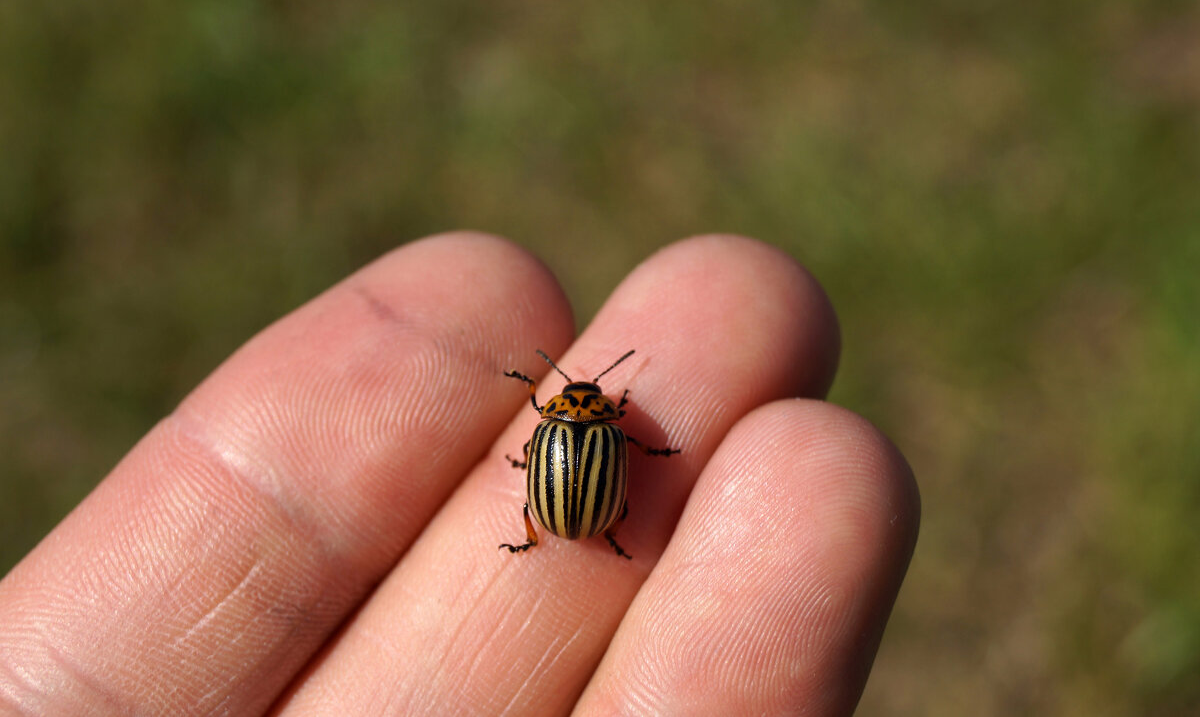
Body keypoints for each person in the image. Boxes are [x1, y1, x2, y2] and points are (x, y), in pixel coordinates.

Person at [0, 232, 919, 715]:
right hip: (584, 510)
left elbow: (545, 456)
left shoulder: (565, 429)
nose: (589, 401)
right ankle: (571, 527)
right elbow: (604, 455)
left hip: (562, 505)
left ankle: (549, 526)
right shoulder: (608, 434)